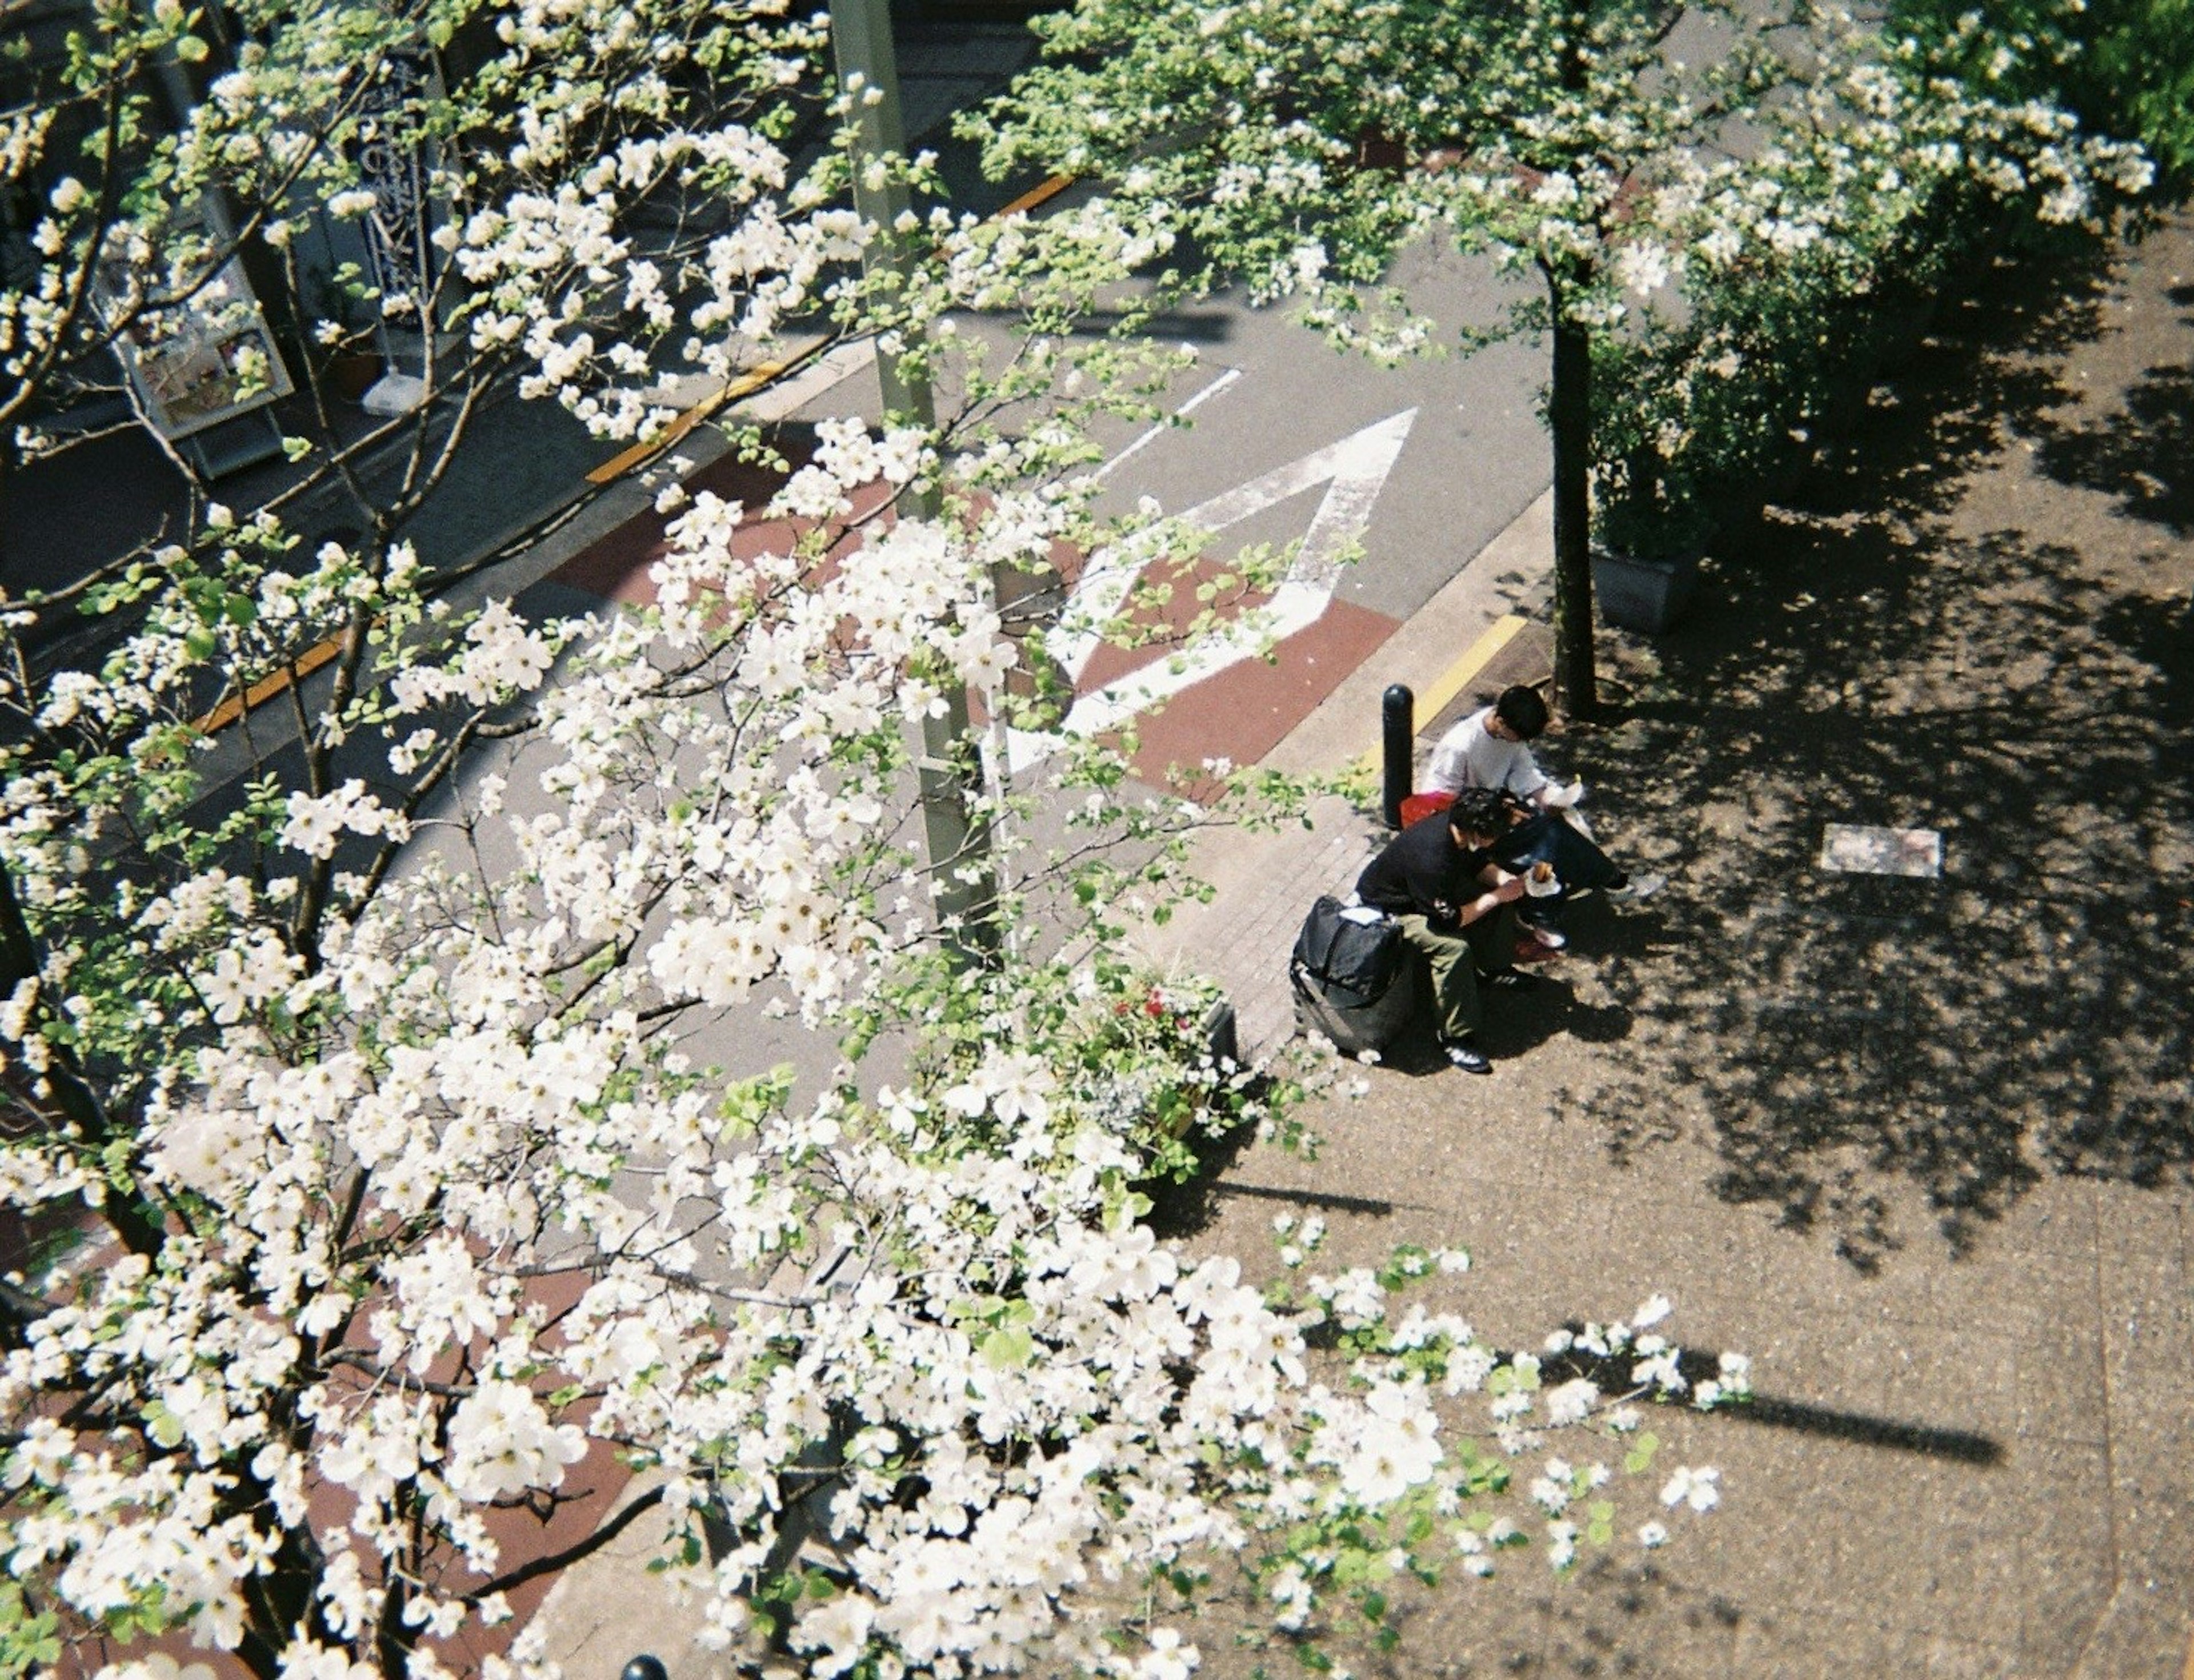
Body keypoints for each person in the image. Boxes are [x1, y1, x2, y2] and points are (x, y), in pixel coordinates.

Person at [1421, 684, 1663, 948]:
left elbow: (1524, 771)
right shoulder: (1460, 746)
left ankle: (1581, 894)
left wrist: (1549, 797)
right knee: (1546, 840)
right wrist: (1500, 810)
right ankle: (1592, 890)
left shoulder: (1510, 734)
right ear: (1501, 722)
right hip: (1475, 826)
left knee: (1553, 829)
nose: (1520, 743)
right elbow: (1440, 800)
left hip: (1499, 811)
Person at [1354, 787, 1544, 1075]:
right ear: (1479, 832)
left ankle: (1493, 967)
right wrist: (1495, 897)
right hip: (1392, 910)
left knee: (1498, 898)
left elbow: (1478, 863)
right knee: (1453, 949)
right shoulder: (1431, 858)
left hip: (1426, 893)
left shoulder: (1457, 828)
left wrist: (1505, 882)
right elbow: (1451, 921)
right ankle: (1454, 1035)